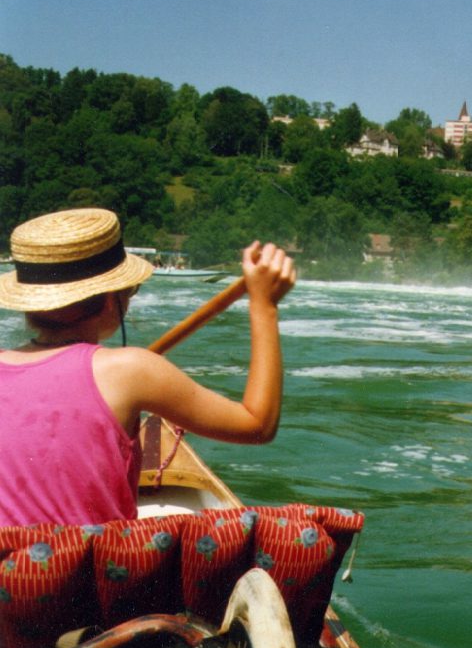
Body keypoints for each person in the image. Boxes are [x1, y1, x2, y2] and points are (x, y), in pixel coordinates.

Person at [0, 208, 296, 527]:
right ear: (113, 297)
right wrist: (264, 306)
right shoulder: (131, 370)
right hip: (91, 574)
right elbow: (257, 425)